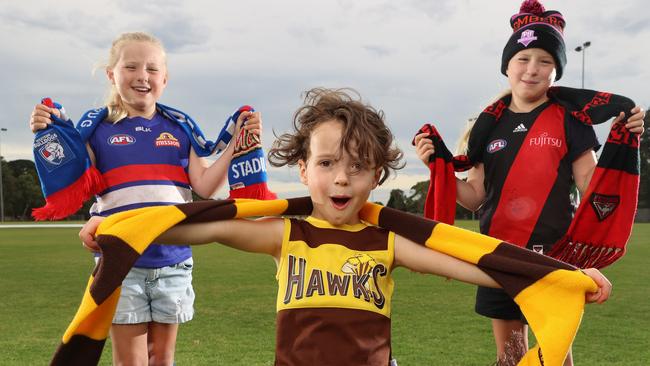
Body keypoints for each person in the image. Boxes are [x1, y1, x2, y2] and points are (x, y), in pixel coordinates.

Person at [81, 87, 611, 365]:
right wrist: (121, 227)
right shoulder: (285, 234)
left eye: (358, 167)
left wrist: (559, 275)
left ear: (377, 176)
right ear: (304, 169)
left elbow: (474, 262)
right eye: (329, 164)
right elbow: (203, 227)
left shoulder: (386, 242)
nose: (342, 179)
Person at [413, 1, 644, 365]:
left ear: (557, 71)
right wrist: (437, 166)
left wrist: (624, 139)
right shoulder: (486, 126)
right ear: (506, 65)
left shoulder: (572, 120)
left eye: (545, 61)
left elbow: (592, 188)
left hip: (555, 257)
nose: (532, 69)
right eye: (523, 59)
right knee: (510, 357)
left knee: (554, 356)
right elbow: (474, 198)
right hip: (499, 255)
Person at [28, 31, 261, 366]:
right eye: (131, 67)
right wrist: (48, 130)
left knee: (162, 360)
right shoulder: (95, 130)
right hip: (122, 262)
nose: (142, 76)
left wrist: (236, 144)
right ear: (112, 74)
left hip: (174, 261)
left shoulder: (181, 129)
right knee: (130, 362)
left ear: (165, 78)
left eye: (152, 69)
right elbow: (73, 172)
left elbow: (206, 186)